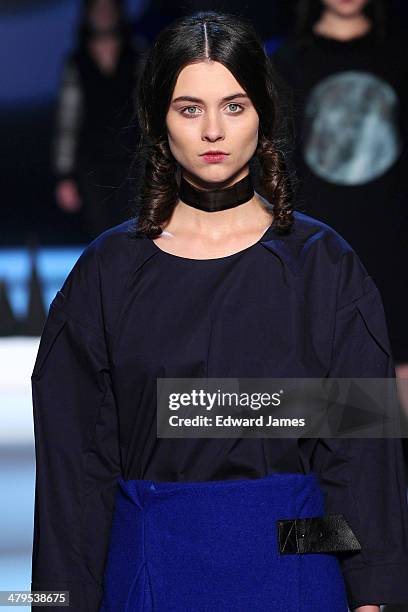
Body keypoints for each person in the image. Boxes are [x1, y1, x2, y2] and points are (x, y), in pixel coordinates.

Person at [31, 10, 408, 612]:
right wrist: (54, 604)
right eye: (189, 108)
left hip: (295, 572)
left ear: (264, 114)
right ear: (158, 121)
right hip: (148, 574)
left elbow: (361, 465)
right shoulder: (107, 275)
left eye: (233, 106)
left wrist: (369, 591)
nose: (213, 130)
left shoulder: (323, 268)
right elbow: (74, 479)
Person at [271, 0, 408, 374]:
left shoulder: (399, 54)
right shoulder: (285, 63)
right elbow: (275, 166)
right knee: (343, 392)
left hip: (396, 241)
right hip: (320, 245)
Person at [53, 0, 143, 240]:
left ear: (118, 13)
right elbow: (67, 120)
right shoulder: (77, 61)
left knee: (134, 230)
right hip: (92, 162)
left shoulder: (136, 55)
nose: (103, 15)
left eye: (108, 9)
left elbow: (148, 111)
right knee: (100, 233)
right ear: (88, 14)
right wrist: (64, 175)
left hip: (132, 158)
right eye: (98, 9)